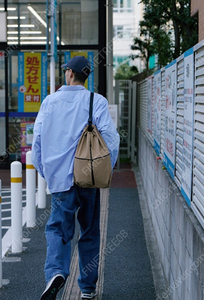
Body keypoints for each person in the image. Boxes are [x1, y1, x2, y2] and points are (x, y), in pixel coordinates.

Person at [31, 56, 120, 300]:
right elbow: (112, 140)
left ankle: (56, 272)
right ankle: (88, 288)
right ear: (86, 76)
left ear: (69, 72)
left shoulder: (50, 102)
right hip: (89, 178)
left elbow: (36, 142)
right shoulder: (96, 101)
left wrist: (45, 171)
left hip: (60, 180)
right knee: (90, 230)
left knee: (58, 229)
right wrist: (105, 171)